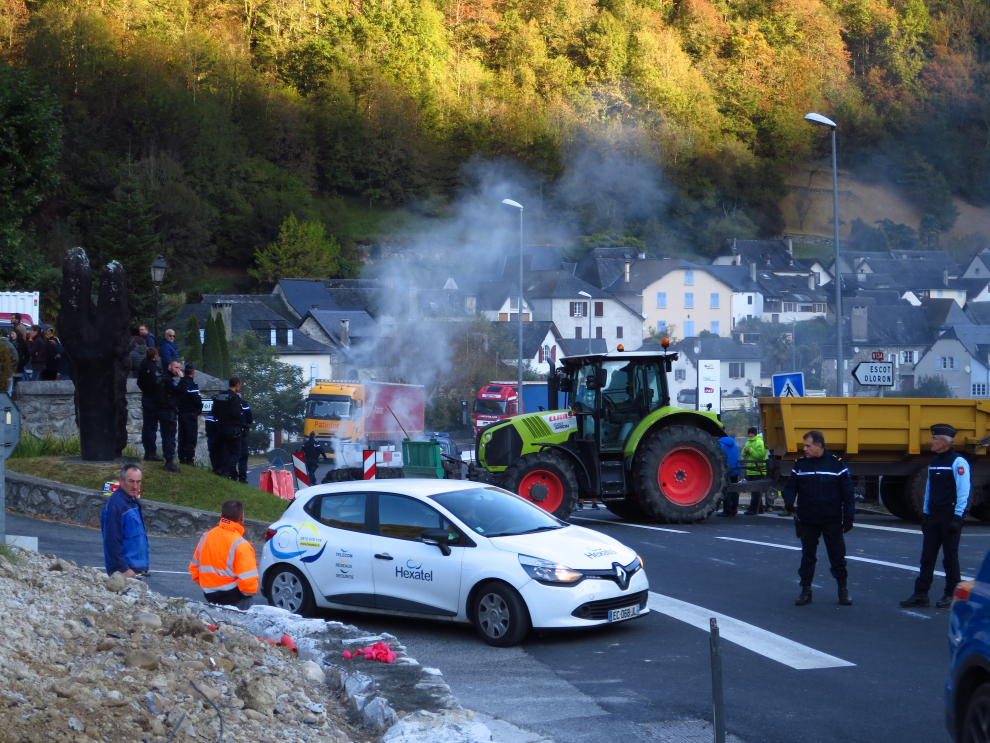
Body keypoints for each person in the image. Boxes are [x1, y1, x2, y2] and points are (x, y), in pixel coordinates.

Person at [900, 424, 970, 609]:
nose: (930, 441)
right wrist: (925, 513)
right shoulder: (934, 462)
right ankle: (921, 594)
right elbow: (929, 489)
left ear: (944, 442)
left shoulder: (958, 462)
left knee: (950, 558)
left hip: (950, 515)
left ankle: (952, 594)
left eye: (934, 438)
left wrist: (957, 517)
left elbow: (963, 491)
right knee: (927, 557)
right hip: (934, 515)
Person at [782, 430, 855, 607]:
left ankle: (843, 590)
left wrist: (849, 516)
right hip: (807, 519)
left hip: (831, 519)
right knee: (808, 556)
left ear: (819, 445)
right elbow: (791, 486)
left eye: (808, 446)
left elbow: (848, 492)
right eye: (804, 446)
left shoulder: (836, 464)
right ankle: (806, 591)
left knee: (837, 556)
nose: (804, 449)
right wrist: (789, 500)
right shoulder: (800, 465)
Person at [189, 499, 258, 610]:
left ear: (222, 516)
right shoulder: (241, 545)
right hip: (233, 597)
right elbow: (248, 585)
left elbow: (194, 569)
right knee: (248, 603)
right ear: (241, 517)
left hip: (209, 593)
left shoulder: (206, 536)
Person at [101, 464, 150, 577]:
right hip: (124, 572)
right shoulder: (116, 506)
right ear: (121, 481)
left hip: (134, 570)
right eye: (131, 481)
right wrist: (123, 568)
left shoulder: (131, 502)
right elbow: (112, 541)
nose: (135, 486)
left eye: (138, 482)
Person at [213, 377, 244, 480]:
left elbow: (214, 411)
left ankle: (220, 469)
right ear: (237, 385)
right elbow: (235, 413)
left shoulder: (220, 396)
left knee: (225, 450)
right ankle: (226, 471)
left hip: (220, 427)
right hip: (231, 428)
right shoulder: (234, 397)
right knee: (236, 452)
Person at [137, 347, 164, 462]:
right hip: (152, 400)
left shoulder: (143, 365)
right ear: (155, 356)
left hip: (146, 397)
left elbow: (139, 382)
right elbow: (157, 383)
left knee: (147, 426)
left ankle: (148, 452)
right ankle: (151, 452)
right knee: (151, 427)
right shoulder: (152, 368)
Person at [158, 358, 184, 473]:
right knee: (169, 436)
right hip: (168, 412)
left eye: (179, 368)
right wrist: (183, 378)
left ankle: (168, 460)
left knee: (166, 436)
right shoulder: (168, 380)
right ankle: (169, 462)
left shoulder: (163, 378)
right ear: (169, 366)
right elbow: (182, 390)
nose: (178, 370)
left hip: (163, 411)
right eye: (176, 367)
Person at [177, 362, 203, 465]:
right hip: (190, 414)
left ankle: (181, 458)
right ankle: (189, 460)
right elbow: (197, 400)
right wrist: (199, 408)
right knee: (190, 438)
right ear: (193, 372)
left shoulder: (181, 384)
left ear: (184, 371)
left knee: (182, 437)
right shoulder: (192, 385)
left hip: (181, 413)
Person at [742, 427, 768, 515]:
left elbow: (759, 455)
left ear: (755, 434)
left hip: (758, 470)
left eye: (752, 433)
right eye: (749, 433)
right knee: (754, 492)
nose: (750, 435)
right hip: (750, 470)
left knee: (756, 492)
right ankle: (759, 509)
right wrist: (745, 452)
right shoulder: (747, 443)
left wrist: (750, 450)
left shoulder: (760, 442)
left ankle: (754, 509)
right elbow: (743, 455)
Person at [716, 434, 742, 517]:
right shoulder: (733, 443)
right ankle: (734, 508)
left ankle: (727, 510)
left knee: (726, 490)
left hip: (726, 470)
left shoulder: (719, 444)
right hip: (735, 469)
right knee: (734, 489)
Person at [238, 394, 253, 484]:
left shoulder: (224, 403)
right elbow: (250, 419)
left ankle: (231, 475)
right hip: (241, 432)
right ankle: (242, 478)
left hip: (227, 432)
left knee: (231, 454)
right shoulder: (243, 404)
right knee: (243, 455)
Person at [205, 403, 222, 474]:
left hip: (210, 437)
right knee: (219, 454)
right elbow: (219, 427)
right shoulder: (217, 414)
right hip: (217, 438)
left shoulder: (209, 414)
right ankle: (219, 470)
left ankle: (215, 469)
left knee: (212, 454)